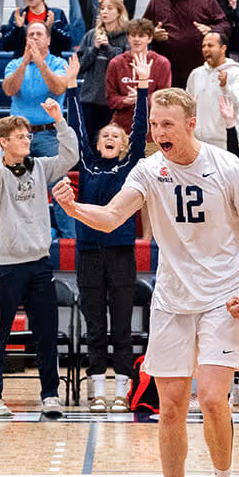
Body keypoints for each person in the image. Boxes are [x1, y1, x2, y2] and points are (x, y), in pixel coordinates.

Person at [53, 86, 239, 477]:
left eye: (167, 125)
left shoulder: (226, 167)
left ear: (191, 124)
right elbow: (113, 217)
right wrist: (74, 209)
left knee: (214, 398)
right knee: (170, 407)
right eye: (154, 125)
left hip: (223, 297)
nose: (159, 133)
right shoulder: (148, 170)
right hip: (173, 300)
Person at [0, 100, 79, 418]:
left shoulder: (38, 167)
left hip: (39, 263)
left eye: (28, 136)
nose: (27, 140)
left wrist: (59, 121)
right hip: (7, 265)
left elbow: (70, 156)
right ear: (4, 142)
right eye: (20, 136)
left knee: (46, 333)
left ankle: (50, 395)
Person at [66, 56, 152, 411]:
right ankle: (97, 389)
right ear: (100, 143)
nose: (111, 138)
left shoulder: (132, 167)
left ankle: (122, 389)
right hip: (87, 254)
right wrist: (71, 87)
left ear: (125, 144)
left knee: (121, 326)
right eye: (106, 135)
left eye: (117, 135)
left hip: (120, 254)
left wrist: (144, 89)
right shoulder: (86, 163)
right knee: (95, 326)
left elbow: (142, 123)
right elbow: (76, 130)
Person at [144, 0, 229, 86]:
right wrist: (153, 35)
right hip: (167, 75)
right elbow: (143, 30)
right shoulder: (157, 1)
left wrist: (211, 30)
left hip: (200, 74)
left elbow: (225, 25)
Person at [3, 22, 74, 158]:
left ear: (48, 40)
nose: (34, 37)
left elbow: (58, 88)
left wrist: (40, 63)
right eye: (31, 34)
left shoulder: (59, 63)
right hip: (18, 133)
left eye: (39, 34)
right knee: (16, 178)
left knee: (54, 178)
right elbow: (9, 90)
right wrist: (24, 63)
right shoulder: (14, 64)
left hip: (49, 134)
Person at [77, 0, 129, 133]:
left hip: (113, 100)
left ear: (119, 12)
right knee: (91, 142)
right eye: (102, 8)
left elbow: (124, 67)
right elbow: (79, 67)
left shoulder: (126, 37)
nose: (105, 12)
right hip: (90, 98)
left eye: (110, 8)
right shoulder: (91, 35)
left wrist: (107, 48)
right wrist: (94, 49)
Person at [186, 32, 239, 152]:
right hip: (198, 142)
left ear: (223, 48)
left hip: (225, 142)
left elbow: (236, 103)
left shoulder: (238, 74)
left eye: (210, 45)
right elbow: (187, 106)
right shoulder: (195, 74)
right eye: (203, 46)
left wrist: (224, 86)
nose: (205, 49)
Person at [106, 18, 169, 133]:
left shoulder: (161, 63)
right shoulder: (116, 63)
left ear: (149, 39)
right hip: (122, 130)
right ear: (128, 38)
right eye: (133, 35)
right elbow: (110, 98)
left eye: (141, 36)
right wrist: (125, 100)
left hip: (151, 131)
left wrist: (142, 98)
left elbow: (164, 98)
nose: (136, 39)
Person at [0, 0, 73, 56]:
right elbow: (6, 46)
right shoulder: (18, 15)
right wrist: (17, 29)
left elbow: (66, 45)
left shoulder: (57, 14)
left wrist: (51, 28)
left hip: (50, 62)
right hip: (24, 61)